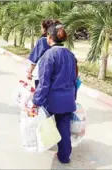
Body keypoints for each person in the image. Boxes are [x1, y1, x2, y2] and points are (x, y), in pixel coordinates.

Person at [32, 22, 78, 164]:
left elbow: (44, 83)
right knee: (64, 128)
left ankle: (46, 145)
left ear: (49, 38)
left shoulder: (49, 55)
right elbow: (75, 78)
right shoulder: (70, 54)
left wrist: (36, 101)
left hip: (52, 100)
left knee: (44, 123)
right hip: (67, 99)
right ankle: (64, 157)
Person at [27, 19, 57, 88]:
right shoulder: (56, 41)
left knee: (40, 96)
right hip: (54, 75)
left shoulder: (42, 41)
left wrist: (29, 72)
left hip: (42, 74)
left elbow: (35, 58)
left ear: (44, 29)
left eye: (41, 27)